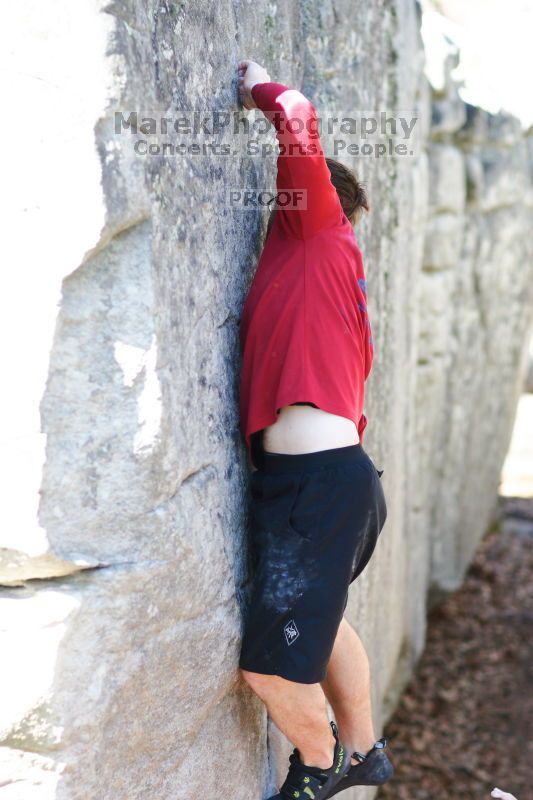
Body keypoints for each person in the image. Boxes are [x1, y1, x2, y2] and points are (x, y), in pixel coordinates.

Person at [237, 59, 394, 800]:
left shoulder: (315, 232)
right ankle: (363, 750)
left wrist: (258, 84)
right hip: (332, 481)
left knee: (269, 669)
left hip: (316, 489)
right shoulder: (340, 279)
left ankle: (322, 762)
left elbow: (295, 114)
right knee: (323, 624)